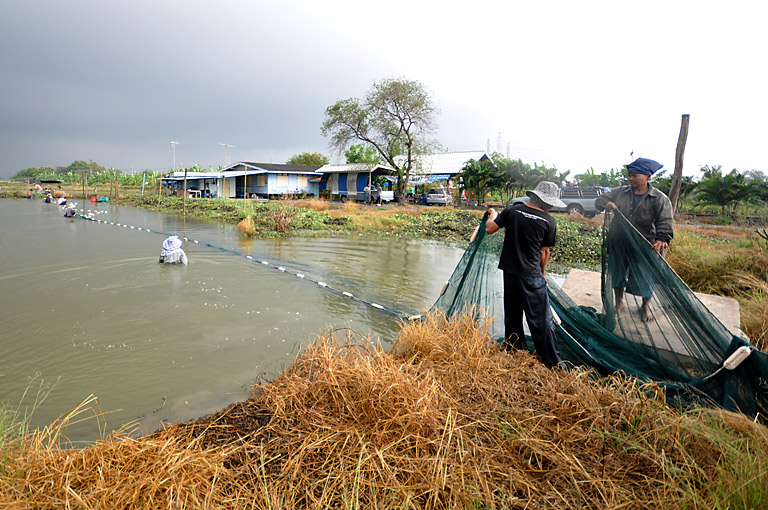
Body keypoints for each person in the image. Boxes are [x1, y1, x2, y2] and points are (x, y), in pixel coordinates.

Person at [486, 181, 566, 369]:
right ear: (546, 202)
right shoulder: (548, 221)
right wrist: (543, 274)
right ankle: (553, 363)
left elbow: (490, 229)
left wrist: (493, 214)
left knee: (513, 313)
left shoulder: (512, 211)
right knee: (540, 319)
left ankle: (514, 350)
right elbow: (543, 252)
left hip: (510, 270)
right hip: (531, 274)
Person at [594, 157, 674, 322]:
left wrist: (662, 239)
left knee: (645, 275)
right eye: (629, 175)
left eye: (635, 175)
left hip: (645, 244)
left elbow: (665, 223)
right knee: (617, 273)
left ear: (648, 177)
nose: (630, 178)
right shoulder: (620, 192)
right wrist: (607, 204)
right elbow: (599, 200)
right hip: (619, 241)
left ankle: (645, 306)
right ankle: (619, 302)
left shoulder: (659, 198)